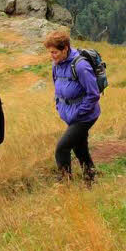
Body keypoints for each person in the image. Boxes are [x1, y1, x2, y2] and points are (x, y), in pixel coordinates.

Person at [46, 30, 101, 185]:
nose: (52, 56)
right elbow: (57, 88)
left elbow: (93, 94)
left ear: (65, 49)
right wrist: (59, 106)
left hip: (85, 116)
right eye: (50, 52)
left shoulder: (81, 66)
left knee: (62, 148)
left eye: (55, 52)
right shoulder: (56, 65)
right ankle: (91, 177)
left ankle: (66, 183)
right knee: (79, 146)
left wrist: (78, 113)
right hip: (70, 114)